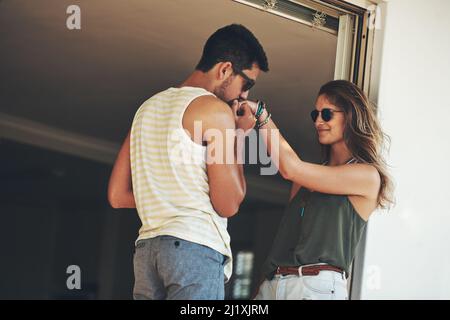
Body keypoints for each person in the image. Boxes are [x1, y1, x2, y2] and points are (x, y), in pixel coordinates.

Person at [107, 24, 269, 300]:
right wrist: (240, 135)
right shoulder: (215, 111)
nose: (245, 96)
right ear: (225, 70)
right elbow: (228, 203)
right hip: (195, 247)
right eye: (247, 84)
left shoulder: (145, 109)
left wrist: (171, 193)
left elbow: (117, 196)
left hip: (148, 253)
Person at [239, 80, 394, 300]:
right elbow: (284, 241)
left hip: (316, 287)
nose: (318, 121)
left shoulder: (366, 176)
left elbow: (290, 168)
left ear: (350, 116)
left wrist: (261, 114)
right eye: (316, 114)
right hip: (274, 284)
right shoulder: (305, 180)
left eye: (327, 114)